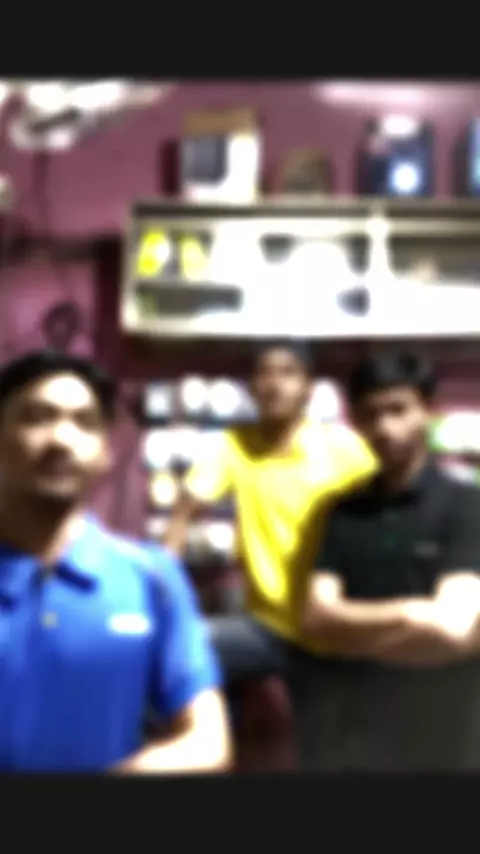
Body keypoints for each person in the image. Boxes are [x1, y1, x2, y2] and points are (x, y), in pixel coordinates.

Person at [0, 350, 231, 773]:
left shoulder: (152, 577)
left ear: (104, 451)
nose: (61, 438)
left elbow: (207, 740)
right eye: (37, 417)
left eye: (84, 422)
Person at [165, 340, 377, 721]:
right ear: (250, 387)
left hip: (332, 628)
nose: (275, 384)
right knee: (170, 652)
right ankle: (208, 741)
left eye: (289, 373)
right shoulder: (235, 444)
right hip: (265, 625)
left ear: (308, 388)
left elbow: (385, 512)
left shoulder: (343, 447)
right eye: (264, 373)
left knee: (327, 741)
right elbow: (184, 512)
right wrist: (165, 591)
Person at [301, 350, 480, 770]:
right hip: (360, 730)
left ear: (427, 411)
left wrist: (352, 633)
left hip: (453, 728)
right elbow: (314, 618)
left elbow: (453, 627)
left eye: (398, 410)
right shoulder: (342, 511)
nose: (384, 427)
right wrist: (412, 613)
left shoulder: (467, 504)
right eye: (370, 414)